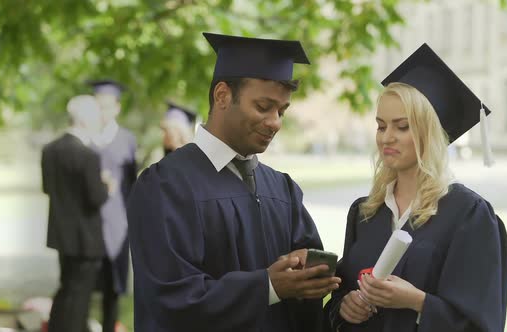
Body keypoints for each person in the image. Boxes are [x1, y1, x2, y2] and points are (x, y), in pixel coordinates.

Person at [126, 32, 342, 332]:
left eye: (281, 111)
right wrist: (267, 286)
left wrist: (311, 275)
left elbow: (310, 296)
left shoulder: (282, 189)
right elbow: (170, 298)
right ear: (223, 96)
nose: (275, 122)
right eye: (263, 107)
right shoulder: (166, 185)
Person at [323, 44, 507, 332]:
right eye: (381, 126)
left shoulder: (468, 215)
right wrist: (344, 306)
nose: (387, 138)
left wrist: (419, 303)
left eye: (402, 126)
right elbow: (341, 295)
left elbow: (482, 322)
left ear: (429, 132)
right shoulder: (365, 212)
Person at [42, 95, 111, 332]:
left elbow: (47, 188)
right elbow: (96, 198)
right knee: (80, 297)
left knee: (66, 289)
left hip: (61, 234)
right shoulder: (88, 156)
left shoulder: (49, 150)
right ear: (85, 120)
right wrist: (106, 186)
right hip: (86, 238)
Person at [87, 80, 137, 332]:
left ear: (117, 108)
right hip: (89, 223)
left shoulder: (127, 139)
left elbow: (132, 183)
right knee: (84, 287)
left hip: (117, 223)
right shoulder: (85, 138)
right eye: (98, 106)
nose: (102, 112)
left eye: (107, 107)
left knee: (112, 289)